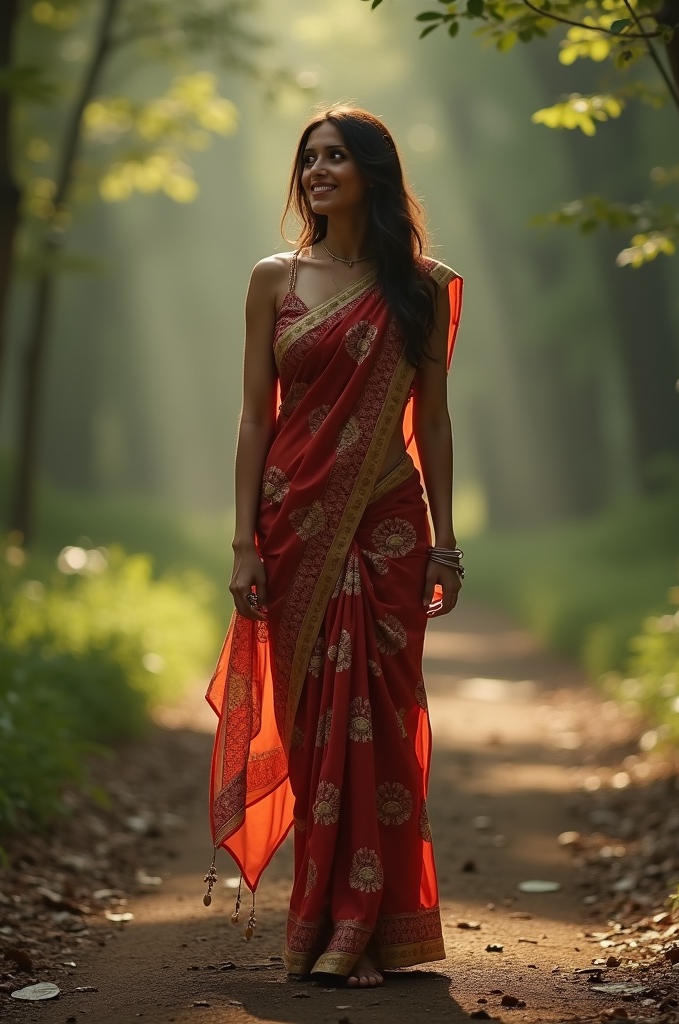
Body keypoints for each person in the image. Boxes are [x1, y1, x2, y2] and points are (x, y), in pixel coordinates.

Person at [204, 104, 464, 989]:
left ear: (372, 173)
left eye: (337, 157)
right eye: (309, 157)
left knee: (383, 725)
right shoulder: (273, 279)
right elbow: (252, 417)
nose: (317, 170)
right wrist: (243, 542)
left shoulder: (418, 287)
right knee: (317, 727)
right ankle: (318, 919)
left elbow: (431, 419)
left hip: (391, 524)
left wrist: (448, 544)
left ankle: (367, 927)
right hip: (294, 525)